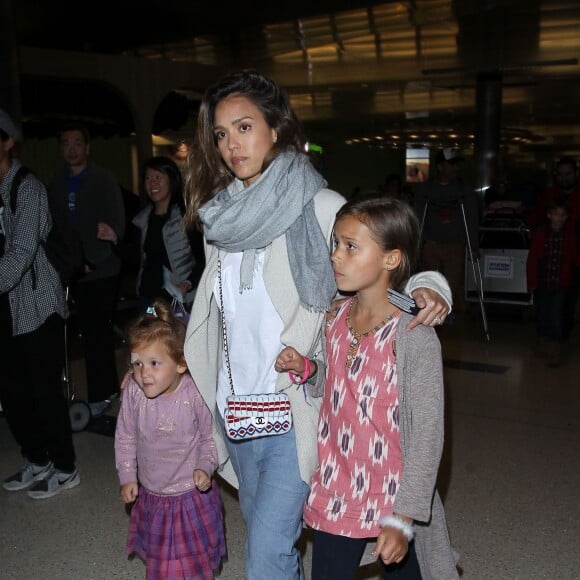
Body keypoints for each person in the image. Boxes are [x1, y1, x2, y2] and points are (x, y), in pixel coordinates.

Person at [181, 70, 452, 579]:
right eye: (220, 134)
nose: (232, 145)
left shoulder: (317, 204)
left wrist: (430, 287)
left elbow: (379, 245)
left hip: (297, 410)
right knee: (277, 551)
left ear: (276, 129)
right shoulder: (219, 222)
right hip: (237, 410)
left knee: (263, 556)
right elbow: (220, 318)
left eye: (244, 127)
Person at [276, 196, 459, 579]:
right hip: (336, 485)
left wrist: (404, 517)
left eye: (351, 247)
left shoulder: (413, 337)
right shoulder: (336, 316)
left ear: (391, 259)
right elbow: (341, 387)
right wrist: (310, 370)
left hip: (391, 491)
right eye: (336, 245)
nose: (336, 257)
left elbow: (427, 436)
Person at [114, 298, 226, 579]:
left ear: (180, 364)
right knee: (164, 560)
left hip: (189, 495)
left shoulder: (193, 394)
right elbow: (125, 435)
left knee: (191, 563)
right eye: (137, 363)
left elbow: (209, 438)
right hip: (153, 494)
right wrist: (127, 476)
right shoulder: (134, 393)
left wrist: (205, 466)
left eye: (154, 363)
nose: (144, 374)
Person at [0, 108, 79, 499]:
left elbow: (21, 252)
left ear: (8, 141)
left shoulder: (27, 188)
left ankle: (65, 467)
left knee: (45, 390)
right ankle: (37, 458)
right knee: (12, 393)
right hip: (5, 309)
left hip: (37, 303)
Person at [47, 122, 126, 417]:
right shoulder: (55, 184)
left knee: (97, 333)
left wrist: (103, 247)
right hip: (72, 269)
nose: (71, 149)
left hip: (102, 269)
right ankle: (94, 392)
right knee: (79, 333)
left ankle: (102, 393)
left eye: (77, 143)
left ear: (87, 147)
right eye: (66, 143)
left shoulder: (103, 179)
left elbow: (116, 223)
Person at [132, 156, 204, 313]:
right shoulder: (141, 219)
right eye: (148, 178)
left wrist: (188, 283)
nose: (152, 183)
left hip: (179, 300)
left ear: (172, 180)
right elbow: (136, 260)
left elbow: (203, 258)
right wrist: (115, 240)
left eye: (158, 177)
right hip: (148, 299)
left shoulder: (187, 218)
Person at [413, 147, 480, 313]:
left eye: (457, 165)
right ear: (440, 166)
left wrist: (473, 246)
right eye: (451, 164)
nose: (456, 168)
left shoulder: (464, 189)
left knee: (452, 284)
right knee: (428, 282)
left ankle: (448, 317)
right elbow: (417, 217)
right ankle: (429, 314)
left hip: (454, 244)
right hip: (431, 244)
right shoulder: (426, 189)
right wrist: (416, 245)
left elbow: (471, 218)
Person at [526, 156, 580, 338]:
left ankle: (559, 338)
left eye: (568, 174)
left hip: (572, 255)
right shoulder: (549, 195)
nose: (565, 178)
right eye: (561, 174)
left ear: (575, 174)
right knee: (551, 305)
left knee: (567, 301)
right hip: (552, 254)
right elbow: (534, 218)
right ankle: (553, 339)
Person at [526, 197, 579, 367]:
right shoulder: (541, 234)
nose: (559, 218)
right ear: (549, 215)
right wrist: (531, 282)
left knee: (556, 315)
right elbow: (533, 259)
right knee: (543, 314)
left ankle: (555, 348)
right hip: (543, 283)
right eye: (556, 214)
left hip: (560, 284)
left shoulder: (569, 236)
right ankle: (543, 342)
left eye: (563, 215)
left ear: (566, 217)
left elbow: (574, 258)